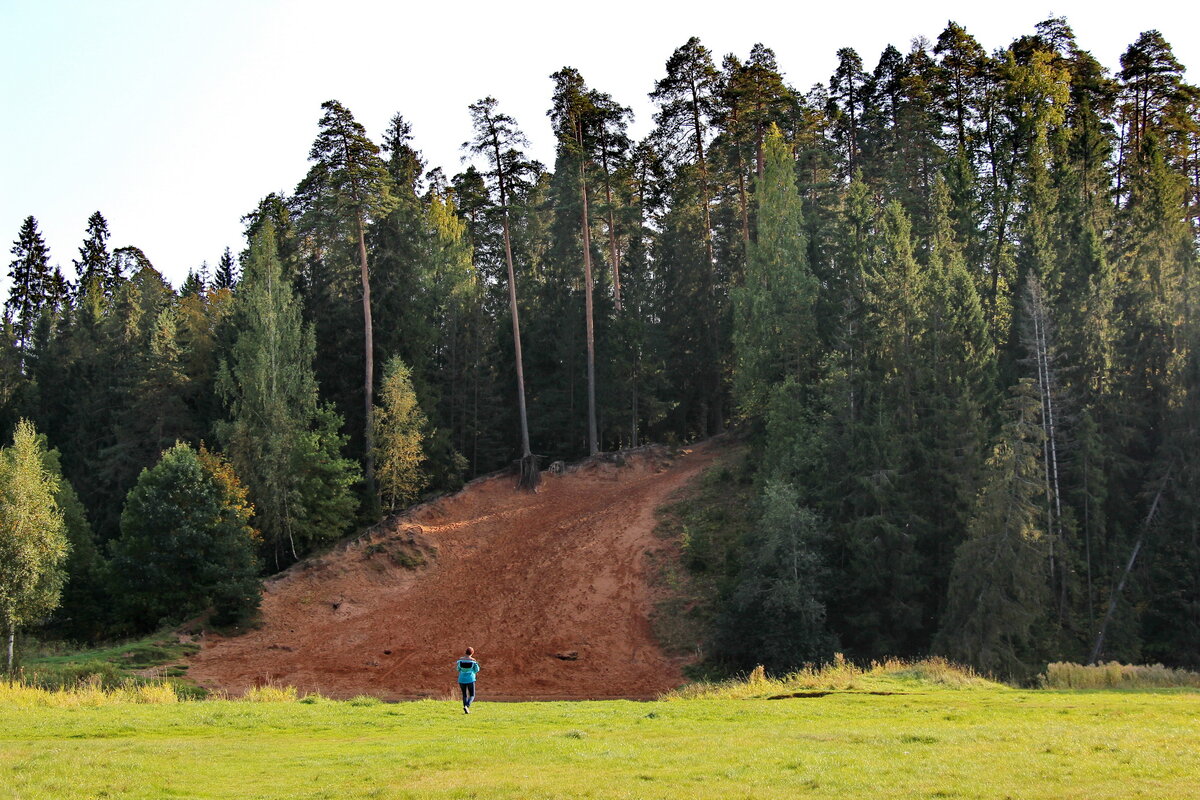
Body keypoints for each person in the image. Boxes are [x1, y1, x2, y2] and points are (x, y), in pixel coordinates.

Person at [456, 647, 480, 713]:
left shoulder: (460, 660)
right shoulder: (473, 661)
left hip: (461, 679)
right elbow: (477, 670)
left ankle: (465, 708)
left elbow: (458, 669)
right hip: (470, 679)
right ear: (472, 653)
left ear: (465, 652)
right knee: (472, 695)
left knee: (464, 695)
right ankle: (467, 706)